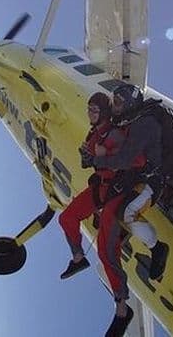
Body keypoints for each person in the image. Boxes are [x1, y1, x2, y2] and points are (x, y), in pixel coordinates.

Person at [91, 84, 169, 337]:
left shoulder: (144, 124)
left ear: (131, 103)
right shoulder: (135, 121)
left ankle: (158, 249)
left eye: (119, 102)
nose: (115, 107)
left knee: (127, 213)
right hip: (137, 180)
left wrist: (98, 161)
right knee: (114, 215)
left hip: (151, 182)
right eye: (114, 101)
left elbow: (125, 159)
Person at [57, 92, 125, 280]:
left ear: (103, 112)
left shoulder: (114, 133)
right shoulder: (93, 133)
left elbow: (120, 161)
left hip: (113, 189)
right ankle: (78, 258)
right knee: (66, 218)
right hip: (100, 186)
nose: (90, 113)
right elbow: (89, 162)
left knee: (106, 252)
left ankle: (121, 303)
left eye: (94, 110)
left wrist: (96, 158)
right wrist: (88, 158)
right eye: (89, 109)